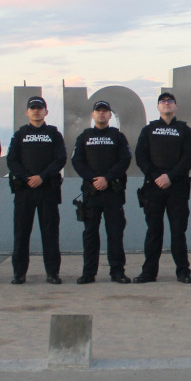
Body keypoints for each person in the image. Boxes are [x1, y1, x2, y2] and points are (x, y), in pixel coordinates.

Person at [134, 92, 191, 283]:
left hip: (177, 187)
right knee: (154, 231)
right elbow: (141, 157)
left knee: (178, 231)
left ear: (176, 107)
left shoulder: (184, 130)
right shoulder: (149, 130)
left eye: (170, 101)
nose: (167, 104)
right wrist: (157, 177)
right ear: (158, 107)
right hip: (153, 188)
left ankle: (183, 271)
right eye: (163, 101)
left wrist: (170, 176)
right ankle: (149, 272)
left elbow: (188, 158)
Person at [5, 96, 66, 284]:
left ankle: (52, 273)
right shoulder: (20, 134)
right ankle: (19, 273)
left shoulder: (54, 134)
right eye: (33, 108)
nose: (36, 111)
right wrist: (26, 177)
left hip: (47, 189)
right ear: (27, 112)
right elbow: (12, 160)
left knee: (50, 233)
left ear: (46, 112)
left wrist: (42, 177)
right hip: (25, 191)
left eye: (40, 108)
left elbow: (60, 159)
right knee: (21, 233)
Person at [71, 100, 132, 284]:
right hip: (91, 193)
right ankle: (88, 273)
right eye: (98, 111)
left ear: (110, 115)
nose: (102, 114)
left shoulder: (117, 136)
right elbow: (77, 161)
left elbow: (124, 160)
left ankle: (117, 272)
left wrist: (107, 178)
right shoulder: (85, 136)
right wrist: (93, 179)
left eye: (105, 111)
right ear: (92, 115)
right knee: (90, 234)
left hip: (112, 191)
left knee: (115, 233)